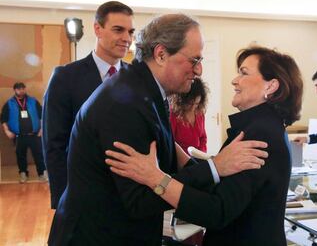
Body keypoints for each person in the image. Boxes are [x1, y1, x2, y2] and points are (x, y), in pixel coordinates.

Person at [48, 14, 268, 246]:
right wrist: (215, 168)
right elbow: (139, 200)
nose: (200, 70)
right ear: (161, 54)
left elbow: (166, 155)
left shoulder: (145, 90)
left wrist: (212, 171)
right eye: (194, 60)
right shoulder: (125, 106)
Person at [106, 46, 304, 246]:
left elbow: (217, 211)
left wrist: (156, 179)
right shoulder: (262, 127)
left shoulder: (259, 135)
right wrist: (176, 150)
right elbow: (221, 187)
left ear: (270, 86)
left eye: (244, 73)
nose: (234, 80)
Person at [42, 1, 135, 209]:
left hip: (129, 194)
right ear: (97, 29)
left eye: (130, 31)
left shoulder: (137, 78)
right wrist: (64, 199)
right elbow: (54, 144)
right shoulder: (65, 77)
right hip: (83, 195)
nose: (127, 38)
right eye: (118, 30)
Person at [1, 82, 46, 183]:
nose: (21, 90)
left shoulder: (33, 101)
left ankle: (42, 173)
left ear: (25, 89)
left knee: (39, 154)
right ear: (15, 90)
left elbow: (42, 115)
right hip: (19, 136)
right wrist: (7, 131)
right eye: (18, 89)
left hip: (34, 134)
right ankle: (23, 174)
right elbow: (3, 119)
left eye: (22, 88)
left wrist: (42, 129)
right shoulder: (9, 103)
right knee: (20, 155)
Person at [170, 77, 208, 155]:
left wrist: (201, 154)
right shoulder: (173, 114)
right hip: (180, 160)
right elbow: (170, 142)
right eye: (190, 103)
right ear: (182, 100)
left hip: (198, 158)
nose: (193, 108)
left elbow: (203, 138)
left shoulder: (199, 113)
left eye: (196, 104)